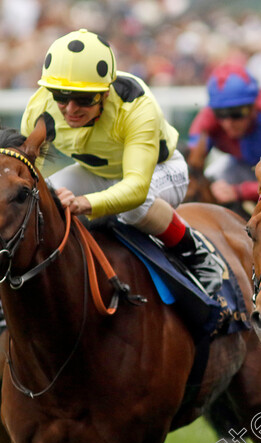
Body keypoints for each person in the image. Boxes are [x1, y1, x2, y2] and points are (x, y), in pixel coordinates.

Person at [21, 29, 223, 295]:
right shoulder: (40, 108)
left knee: (132, 209)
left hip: (161, 170)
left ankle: (196, 252)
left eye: (83, 99)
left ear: (105, 93)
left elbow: (136, 188)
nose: (70, 109)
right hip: (96, 173)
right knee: (40, 203)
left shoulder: (136, 105)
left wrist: (85, 202)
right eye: (61, 96)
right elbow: (23, 171)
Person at [186, 64, 261, 205]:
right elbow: (190, 165)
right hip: (244, 166)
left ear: (253, 106)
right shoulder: (208, 118)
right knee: (211, 181)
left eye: (237, 113)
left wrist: (238, 192)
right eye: (220, 114)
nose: (228, 123)